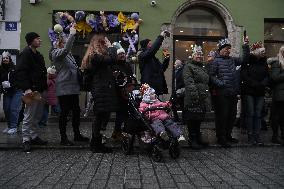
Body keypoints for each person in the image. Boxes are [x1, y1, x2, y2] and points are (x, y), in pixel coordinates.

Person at [50, 25, 89, 146]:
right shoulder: (56, 53)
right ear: (60, 43)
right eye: (65, 42)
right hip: (64, 88)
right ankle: (63, 138)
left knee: (76, 112)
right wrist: (72, 34)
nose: (67, 43)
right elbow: (66, 49)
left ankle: (77, 135)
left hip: (73, 88)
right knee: (64, 113)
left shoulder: (68, 55)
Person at [209, 37, 249, 147]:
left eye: (229, 49)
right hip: (222, 94)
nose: (228, 50)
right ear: (220, 49)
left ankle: (228, 135)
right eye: (226, 48)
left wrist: (245, 46)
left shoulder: (232, 60)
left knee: (231, 116)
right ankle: (221, 137)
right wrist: (220, 83)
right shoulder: (215, 61)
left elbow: (244, 60)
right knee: (222, 116)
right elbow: (211, 76)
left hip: (233, 92)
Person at [81, 34, 118, 153]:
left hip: (101, 88)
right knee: (99, 116)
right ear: (99, 44)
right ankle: (96, 144)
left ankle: (96, 143)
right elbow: (112, 59)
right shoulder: (95, 56)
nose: (105, 45)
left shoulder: (95, 56)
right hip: (101, 89)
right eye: (104, 43)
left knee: (101, 116)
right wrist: (111, 46)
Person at [15, 32, 48, 152]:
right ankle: (26, 139)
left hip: (40, 90)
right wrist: (27, 88)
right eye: (37, 39)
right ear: (31, 41)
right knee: (29, 115)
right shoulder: (25, 54)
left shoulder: (38, 55)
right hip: (31, 90)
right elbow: (21, 72)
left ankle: (33, 136)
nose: (40, 41)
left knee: (37, 115)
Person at [241, 41, 269, 145]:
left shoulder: (264, 62)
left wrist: (263, 84)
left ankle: (257, 135)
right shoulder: (248, 60)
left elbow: (267, 75)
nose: (262, 53)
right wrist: (254, 84)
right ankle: (250, 135)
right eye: (260, 50)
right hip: (250, 91)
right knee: (251, 113)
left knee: (258, 114)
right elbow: (244, 74)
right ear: (255, 51)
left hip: (260, 92)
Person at [183, 45, 210, 149]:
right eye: (197, 54)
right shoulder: (188, 66)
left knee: (198, 119)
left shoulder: (202, 67)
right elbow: (189, 82)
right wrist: (195, 95)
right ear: (193, 56)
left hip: (202, 97)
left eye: (200, 55)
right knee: (192, 118)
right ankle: (192, 139)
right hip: (193, 97)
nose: (199, 56)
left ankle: (198, 137)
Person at [111, 47, 134, 141]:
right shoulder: (114, 65)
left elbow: (130, 76)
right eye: (120, 54)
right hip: (118, 93)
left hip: (126, 92)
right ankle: (117, 132)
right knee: (120, 114)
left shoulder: (128, 65)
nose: (122, 55)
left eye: (123, 54)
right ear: (117, 56)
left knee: (126, 114)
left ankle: (123, 131)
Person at [138, 31, 170, 95]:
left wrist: (166, 59)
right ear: (145, 45)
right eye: (149, 44)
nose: (151, 46)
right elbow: (151, 51)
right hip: (148, 87)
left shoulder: (153, 58)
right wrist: (161, 37)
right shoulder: (142, 55)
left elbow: (162, 69)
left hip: (156, 88)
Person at [0, 51, 22, 135]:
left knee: (13, 109)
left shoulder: (14, 68)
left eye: (7, 58)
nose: (5, 59)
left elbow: (19, 80)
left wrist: (11, 85)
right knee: (6, 109)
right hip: (7, 92)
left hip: (16, 90)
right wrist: (2, 86)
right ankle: (9, 126)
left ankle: (14, 127)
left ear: (10, 59)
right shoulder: (1, 69)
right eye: (4, 58)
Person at [270, 45, 284, 145]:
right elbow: (275, 77)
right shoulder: (277, 63)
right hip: (279, 95)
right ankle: (275, 136)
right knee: (277, 117)